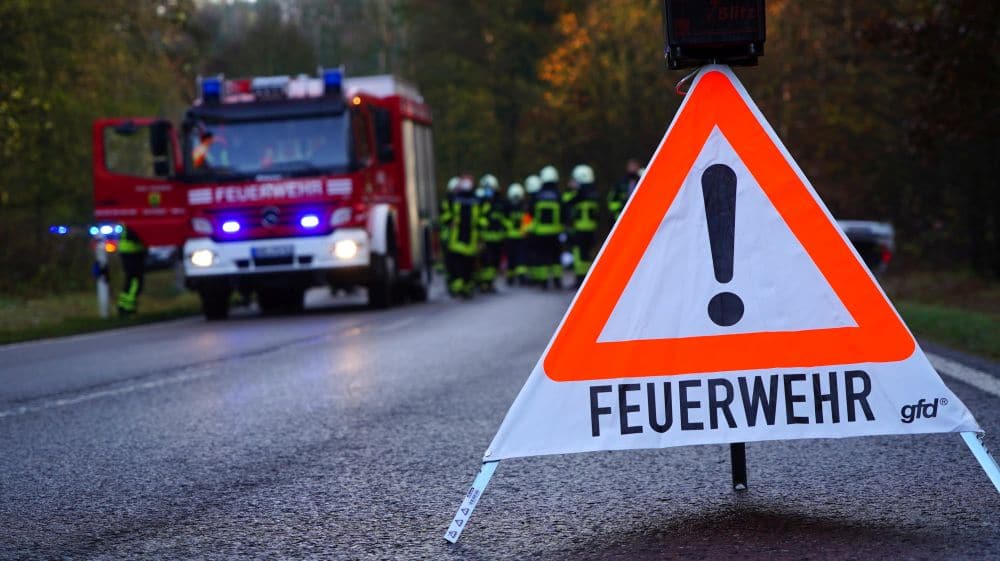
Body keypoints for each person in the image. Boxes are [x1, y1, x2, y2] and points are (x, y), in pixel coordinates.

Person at [443, 175, 483, 299]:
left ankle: (463, 287)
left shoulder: (456, 199)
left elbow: (482, 218)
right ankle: (463, 287)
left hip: (461, 239)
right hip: (464, 239)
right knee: (463, 265)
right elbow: (445, 214)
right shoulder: (475, 200)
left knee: (463, 265)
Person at [564, 164, 600, 288]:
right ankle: (588, 279)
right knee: (588, 255)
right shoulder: (594, 192)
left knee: (579, 255)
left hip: (579, 230)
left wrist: (570, 189)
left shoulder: (577, 193)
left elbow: (565, 201)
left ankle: (580, 280)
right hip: (592, 229)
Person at [529, 165, 564, 289]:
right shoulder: (558, 195)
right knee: (556, 257)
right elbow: (564, 213)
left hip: (540, 232)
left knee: (542, 256)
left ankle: (543, 282)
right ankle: (557, 280)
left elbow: (530, 212)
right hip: (555, 232)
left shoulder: (537, 195)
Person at [476, 174, 505, 292]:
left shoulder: (499, 202)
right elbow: (478, 218)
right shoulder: (480, 201)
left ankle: (490, 282)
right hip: (485, 238)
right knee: (485, 262)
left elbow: (503, 219)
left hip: (497, 238)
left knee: (494, 263)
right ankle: (483, 283)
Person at [116, 224, 147, 315]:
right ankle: (127, 307)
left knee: (132, 280)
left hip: (131, 252)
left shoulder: (129, 221)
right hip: (131, 252)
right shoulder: (132, 221)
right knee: (135, 281)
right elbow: (133, 236)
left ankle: (125, 306)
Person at [437, 176, 460, 290]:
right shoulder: (446, 201)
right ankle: (451, 284)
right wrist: (453, 221)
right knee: (450, 262)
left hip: (458, 237)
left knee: (458, 262)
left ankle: (457, 283)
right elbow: (444, 216)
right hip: (447, 237)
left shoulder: (460, 201)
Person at [504, 183, 529, 285]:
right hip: (520, 236)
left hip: (512, 236)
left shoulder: (507, 206)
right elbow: (527, 220)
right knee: (520, 257)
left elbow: (504, 220)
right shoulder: (524, 206)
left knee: (512, 257)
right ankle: (520, 277)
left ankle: (511, 277)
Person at [608, 158, 641, 224]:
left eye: (634, 166)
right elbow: (611, 199)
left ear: (638, 167)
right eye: (631, 166)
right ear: (627, 168)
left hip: (638, 214)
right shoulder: (621, 183)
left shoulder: (641, 181)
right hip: (621, 215)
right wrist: (620, 207)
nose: (632, 169)